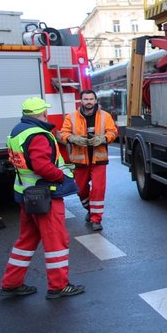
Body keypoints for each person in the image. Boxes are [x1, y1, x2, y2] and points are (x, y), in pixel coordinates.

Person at [0, 97, 85, 300]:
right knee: (56, 241)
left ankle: (11, 283)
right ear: (41, 113)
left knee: (26, 240)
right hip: (45, 196)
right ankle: (59, 286)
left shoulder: (17, 131)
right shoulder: (38, 134)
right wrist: (61, 176)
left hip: (26, 196)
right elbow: (41, 165)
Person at [59, 89, 118, 232]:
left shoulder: (105, 116)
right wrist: (72, 138)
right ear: (81, 101)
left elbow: (113, 132)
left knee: (98, 189)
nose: (89, 102)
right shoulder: (71, 117)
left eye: (91, 99)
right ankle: (91, 209)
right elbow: (63, 133)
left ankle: (96, 219)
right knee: (80, 190)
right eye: (86, 99)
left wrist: (103, 138)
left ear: (96, 100)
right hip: (80, 161)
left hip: (99, 159)